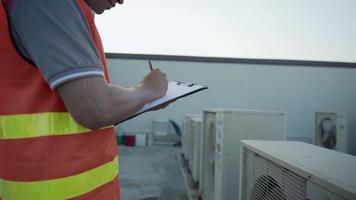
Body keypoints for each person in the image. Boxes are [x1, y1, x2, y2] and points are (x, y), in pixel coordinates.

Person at [0, 0, 168, 199]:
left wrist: (142, 100)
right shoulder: (50, 4)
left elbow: (86, 102)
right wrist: (147, 90)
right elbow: (95, 107)